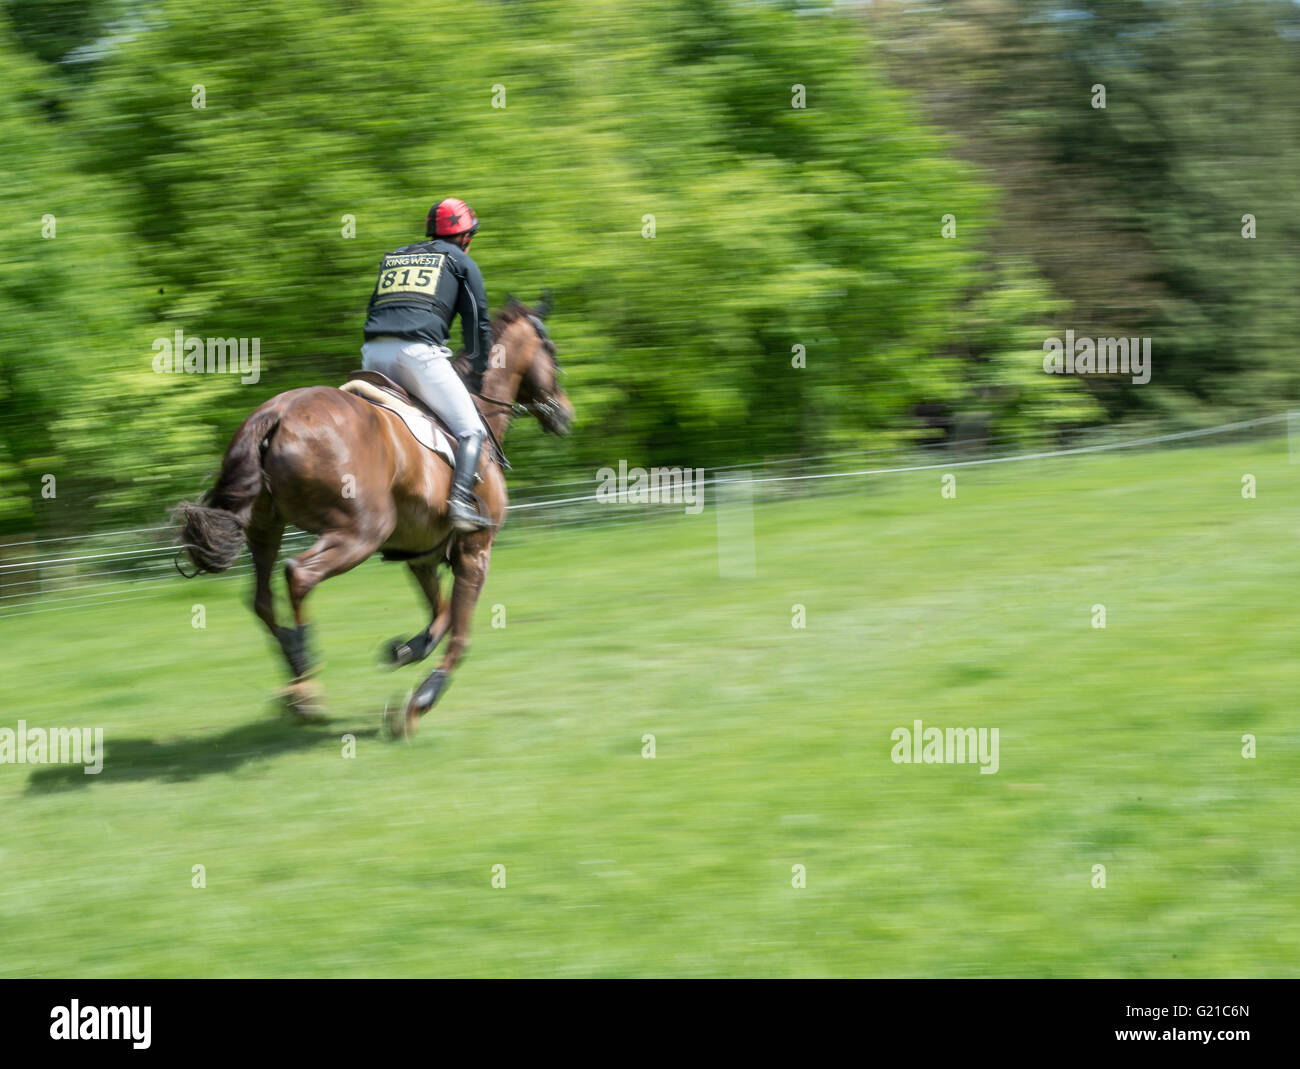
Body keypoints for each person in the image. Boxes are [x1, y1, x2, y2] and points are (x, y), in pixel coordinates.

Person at [361, 198, 493, 533]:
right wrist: (478, 371)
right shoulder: (461, 262)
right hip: (418, 357)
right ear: (466, 237)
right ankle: (460, 503)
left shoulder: (395, 257)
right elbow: (477, 326)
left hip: (372, 354)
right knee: (471, 429)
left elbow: (377, 307)